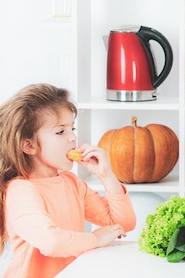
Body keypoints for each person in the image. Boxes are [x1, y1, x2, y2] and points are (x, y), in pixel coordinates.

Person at [0, 83, 136, 278]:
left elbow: (122, 223)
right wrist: (95, 239)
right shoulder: (21, 190)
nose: (73, 138)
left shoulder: (71, 183)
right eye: (60, 132)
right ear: (29, 145)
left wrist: (107, 176)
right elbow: (52, 243)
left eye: (72, 128)